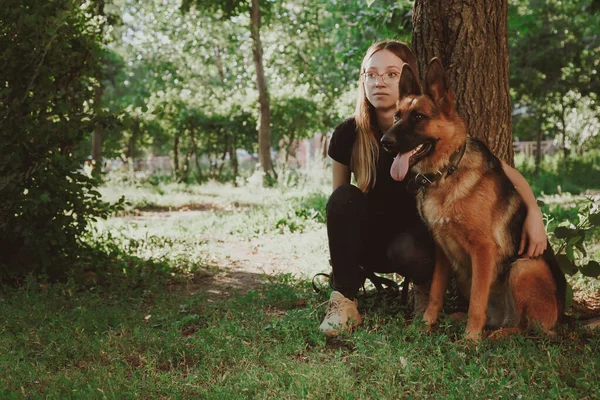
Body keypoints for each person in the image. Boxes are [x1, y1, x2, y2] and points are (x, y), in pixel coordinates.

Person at [320, 40, 547, 337]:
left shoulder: (439, 136)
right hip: (373, 241)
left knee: (416, 245)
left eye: (390, 74)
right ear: (362, 80)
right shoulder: (348, 133)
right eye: (371, 74)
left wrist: (535, 214)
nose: (379, 82)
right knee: (343, 197)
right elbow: (338, 205)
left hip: (414, 247)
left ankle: (423, 293)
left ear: (405, 82)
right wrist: (344, 259)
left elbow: (502, 172)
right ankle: (343, 300)